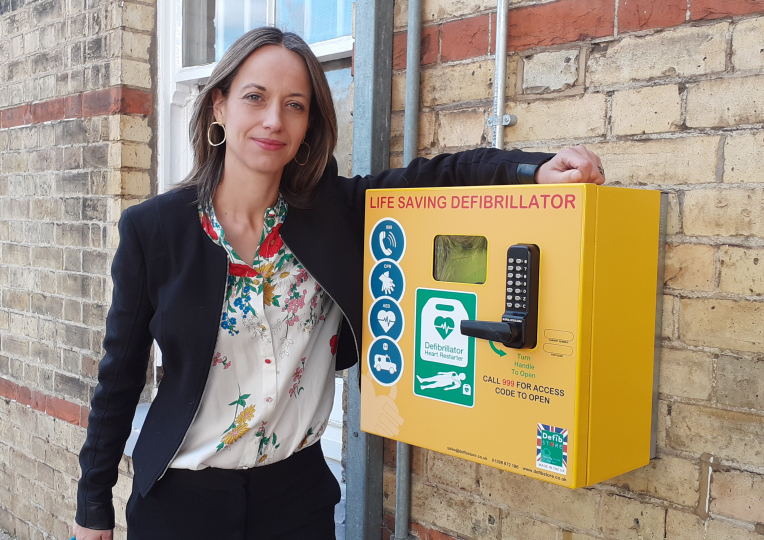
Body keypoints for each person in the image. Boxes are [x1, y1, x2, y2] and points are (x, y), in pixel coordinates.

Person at [73, 26, 605, 540]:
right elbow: (118, 378)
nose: (273, 120)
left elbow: (432, 178)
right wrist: (93, 504)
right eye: (255, 97)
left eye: (295, 104)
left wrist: (531, 169)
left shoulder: (331, 214)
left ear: (309, 125)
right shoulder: (155, 230)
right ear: (219, 106)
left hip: (296, 500)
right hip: (181, 503)